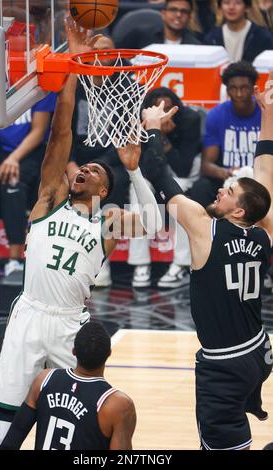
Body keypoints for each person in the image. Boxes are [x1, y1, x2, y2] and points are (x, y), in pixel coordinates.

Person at [0, 17, 163, 450]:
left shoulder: (107, 223)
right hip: (30, 313)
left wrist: (135, 168)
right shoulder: (48, 198)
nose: (83, 169)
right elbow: (61, 134)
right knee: (7, 409)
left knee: (81, 413)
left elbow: (157, 225)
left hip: (69, 324)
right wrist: (68, 65)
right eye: (82, 167)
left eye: (94, 170)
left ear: (105, 189)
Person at [142, 93, 273, 449]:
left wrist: (153, 128)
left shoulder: (205, 229)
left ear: (239, 211)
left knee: (220, 443)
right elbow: (265, 171)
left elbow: (158, 173)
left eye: (228, 192)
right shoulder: (264, 230)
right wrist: (268, 114)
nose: (220, 189)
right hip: (259, 352)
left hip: (225, 364)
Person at [0, 321, 136, 450]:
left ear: (74, 351)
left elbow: (10, 443)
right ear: (109, 353)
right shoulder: (117, 405)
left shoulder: (44, 380)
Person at [0, 93, 56, 277]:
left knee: (11, 181)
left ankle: (15, 259)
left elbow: (39, 130)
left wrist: (14, 158)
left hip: (31, 152)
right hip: (0, 151)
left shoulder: (39, 86)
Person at [128, 87, 202, 288]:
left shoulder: (190, 120)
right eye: (156, 110)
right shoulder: (141, 121)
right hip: (155, 173)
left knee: (183, 200)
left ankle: (181, 265)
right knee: (137, 190)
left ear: (176, 109)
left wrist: (163, 138)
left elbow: (183, 168)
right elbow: (149, 168)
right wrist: (155, 132)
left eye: (167, 109)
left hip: (184, 176)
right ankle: (140, 264)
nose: (161, 114)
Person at [190, 61, 261, 209]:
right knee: (200, 187)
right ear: (227, 90)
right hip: (229, 180)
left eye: (244, 88)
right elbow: (206, 165)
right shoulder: (216, 115)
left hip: (261, 179)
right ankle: (207, 228)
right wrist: (227, 172)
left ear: (254, 89)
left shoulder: (266, 114)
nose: (239, 94)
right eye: (233, 88)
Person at [204, 0, 273, 62]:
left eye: (237, 3)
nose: (231, 7)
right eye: (226, 3)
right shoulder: (212, 38)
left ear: (246, 7)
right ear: (220, 7)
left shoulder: (262, 37)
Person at [116, 0, 202, 49]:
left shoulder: (196, 46)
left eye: (184, 11)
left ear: (190, 17)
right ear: (163, 14)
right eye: (173, 10)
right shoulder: (140, 35)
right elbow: (118, 56)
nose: (178, 15)